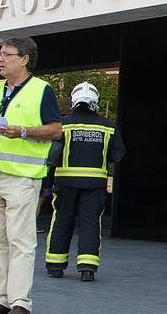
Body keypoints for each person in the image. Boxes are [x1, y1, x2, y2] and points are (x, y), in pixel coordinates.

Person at [0, 36, 62, 314]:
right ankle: (3, 298)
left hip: (22, 176)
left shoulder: (41, 90)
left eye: (6, 54)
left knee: (20, 240)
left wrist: (22, 131)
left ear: (24, 59)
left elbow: (56, 130)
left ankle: (21, 301)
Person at [44, 82, 123, 282]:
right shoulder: (109, 127)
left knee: (62, 220)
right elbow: (118, 154)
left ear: (73, 100)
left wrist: (47, 179)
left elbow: (52, 154)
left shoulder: (64, 124)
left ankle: (55, 265)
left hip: (65, 182)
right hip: (95, 184)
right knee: (90, 223)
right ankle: (87, 268)